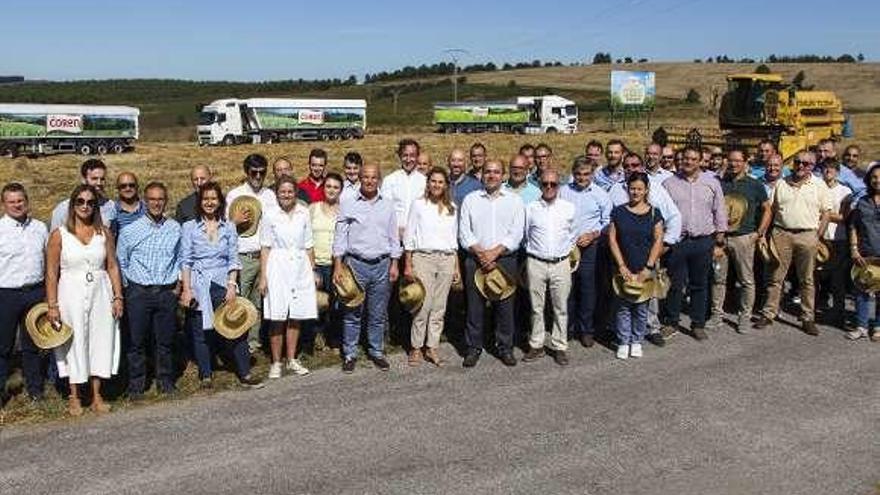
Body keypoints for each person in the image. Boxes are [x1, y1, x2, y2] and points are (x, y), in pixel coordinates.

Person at [45, 185, 124, 416]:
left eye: (90, 202)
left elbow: (112, 266)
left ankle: (97, 394)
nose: (85, 206)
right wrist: (52, 305)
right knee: (73, 341)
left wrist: (118, 296)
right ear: (72, 205)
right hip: (70, 291)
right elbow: (51, 272)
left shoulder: (104, 233)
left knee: (100, 339)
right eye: (80, 201)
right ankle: (74, 396)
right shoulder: (59, 235)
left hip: (101, 290)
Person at [180, 182, 263, 389]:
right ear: (200, 201)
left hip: (221, 281)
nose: (210, 202)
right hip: (199, 283)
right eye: (206, 199)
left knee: (235, 327)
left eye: (214, 199)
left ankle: (244, 372)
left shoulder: (228, 227)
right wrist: (187, 288)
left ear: (220, 202)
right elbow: (186, 260)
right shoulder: (189, 227)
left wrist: (232, 285)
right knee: (201, 331)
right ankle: (206, 373)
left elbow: (233, 258)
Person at [332, 163, 401, 373]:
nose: (369, 181)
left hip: (381, 264)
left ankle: (376, 351)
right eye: (366, 177)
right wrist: (337, 265)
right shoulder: (348, 203)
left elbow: (393, 236)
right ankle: (350, 352)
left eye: (373, 177)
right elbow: (340, 236)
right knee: (352, 311)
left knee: (377, 313)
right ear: (360, 178)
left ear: (378, 179)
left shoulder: (388, 205)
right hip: (356, 265)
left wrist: (395, 263)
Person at [755, 151, 832, 335]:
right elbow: (771, 210)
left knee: (807, 279)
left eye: (806, 163)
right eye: (798, 162)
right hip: (782, 234)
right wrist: (764, 233)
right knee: (776, 277)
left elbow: (827, 213)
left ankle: (807, 317)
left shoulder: (819, 185)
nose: (801, 166)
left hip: (807, 236)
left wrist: (818, 235)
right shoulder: (782, 183)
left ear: (812, 166)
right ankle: (769, 313)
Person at [116, 182, 181, 398]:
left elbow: (181, 259)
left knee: (165, 341)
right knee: (136, 341)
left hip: (165, 292)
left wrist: (177, 286)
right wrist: (129, 289)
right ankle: (136, 385)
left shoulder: (175, 229)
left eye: (160, 199)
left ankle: (165, 381)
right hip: (139, 292)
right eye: (152, 199)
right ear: (145, 202)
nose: (156, 203)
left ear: (166, 201)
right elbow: (121, 262)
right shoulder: (130, 230)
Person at [458, 159, 525, 367]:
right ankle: (473, 347)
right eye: (488, 172)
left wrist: (495, 253)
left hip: (505, 260)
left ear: (503, 175)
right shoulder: (471, 199)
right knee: (474, 307)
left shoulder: (514, 201)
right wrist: (481, 253)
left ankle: (505, 347)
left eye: (496, 172)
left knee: (505, 306)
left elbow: (517, 233)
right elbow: (464, 232)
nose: (491, 175)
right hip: (475, 260)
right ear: (482, 174)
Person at [661, 147, 728, 340]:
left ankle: (697, 323)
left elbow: (720, 212)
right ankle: (671, 322)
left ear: (700, 161)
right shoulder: (669, 184)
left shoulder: (712, 183)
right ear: (680, 160)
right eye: (685, 159)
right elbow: (662, 213)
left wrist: (719, 242)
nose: (689, 162)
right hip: (678, 243)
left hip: (703, 241)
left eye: (693, 159)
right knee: (675, 284)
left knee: (700, 284)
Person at [258, 176, 316, 379]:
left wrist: (313, 270)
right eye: (282, 191)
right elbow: (265, 247)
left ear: (295, 193)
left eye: (290, 191)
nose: (286, 195)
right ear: (277, 193)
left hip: (300, 267)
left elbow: (309, 245)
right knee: (277, 315)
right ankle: (276, 362)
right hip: (277, 266)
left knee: (295, 315)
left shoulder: (303, 213)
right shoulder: (270, 215)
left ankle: (291, 359)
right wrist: (263, 276)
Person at [403, 167, 460, 367]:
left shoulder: (451, 208)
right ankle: (416, 347)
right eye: (433, 181)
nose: (436, 185)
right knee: (422, 306)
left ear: (446, 185)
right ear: (428, 184)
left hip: (446, 259)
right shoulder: (419, 205)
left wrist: (456, 268)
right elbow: (409, 235)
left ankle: (432, 346)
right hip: (423, 258)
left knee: (439, 307)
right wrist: (408, 264)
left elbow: (453, 241)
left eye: (440, 182)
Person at [711, 149, 771, 333]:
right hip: (721, 238)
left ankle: (744, 316)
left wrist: (758, 233)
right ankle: (716, 315)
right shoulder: (719, 183)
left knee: (746, 280)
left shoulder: (755, 185)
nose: (734, 164)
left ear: (746, 162)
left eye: (738, 161)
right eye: (730, 160)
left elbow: (767, 209)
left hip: (744, 238)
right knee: (718, 278)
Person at [0, 183, 49, 403]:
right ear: (4, 204)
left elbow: (47, 260)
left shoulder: (39, 227)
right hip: (6, 294)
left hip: (35, 292)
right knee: (4, 346)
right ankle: (1, 392)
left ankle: (35, 389)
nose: (17, 205)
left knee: (32, 345)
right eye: (11, 202)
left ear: (26, 201)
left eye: (20, 200)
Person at [522, 169, 576, 366]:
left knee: (560, 307)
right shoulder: (531, 208)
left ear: (558, 185)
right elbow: (526, 233)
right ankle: (536, 344)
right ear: (540, 185)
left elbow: (573, 233)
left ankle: (559, 346)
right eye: (545, 184)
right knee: (536, 307)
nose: (549, 187)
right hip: (536, 261)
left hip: (561, 263)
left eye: (553, 184)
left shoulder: (568, 208)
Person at [226, 153, 279, 353]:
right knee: (240, 300)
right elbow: (226, 228)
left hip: (265, 256)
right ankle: (236, 341)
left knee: (258, 301)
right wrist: (235, 222)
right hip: (244, 257)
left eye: (262, 172)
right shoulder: (235, 195)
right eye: (254, 172)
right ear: (246, 172)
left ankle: (253, 342)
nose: (258, 176)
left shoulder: (270, 195)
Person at [608, 172, 665, 359]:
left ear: (646, 190)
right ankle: (624, 341)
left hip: (644, 267)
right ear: (627, 189)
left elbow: (658, 240)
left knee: (641, 307)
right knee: (623, 307)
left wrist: (648, 267)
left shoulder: (654, 213)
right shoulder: (618, 211)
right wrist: (621, 265)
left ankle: (637, 340)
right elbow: (612, 239)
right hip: (624, 265)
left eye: (639, 189)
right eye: (632, 188)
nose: (635, 192)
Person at [559, 157, 612, 348]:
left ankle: (586, 330)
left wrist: (593, 234)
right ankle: (568, 328)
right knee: (568, 288)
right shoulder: (564, 192)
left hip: (590, 246)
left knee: (588, 289)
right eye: (579, 174)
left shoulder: (600, 194)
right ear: (573, 174)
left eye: (586, 174)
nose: (582, 178)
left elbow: (607, 221)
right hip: (567, 246)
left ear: (592, 174)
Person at [308, 173, 344, 348]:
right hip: (316, 263)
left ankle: (334, 338)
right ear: (323, 188)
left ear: (340, 191)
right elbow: (307, 237)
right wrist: (312, 266)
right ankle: (316, 336)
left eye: (336, 187)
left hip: (335, 264)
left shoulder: (343, 212)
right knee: (316, 302)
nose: (331, 190)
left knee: (336, 303)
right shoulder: (313, 209)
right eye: (328, 186)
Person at [816, 161, 852, 327]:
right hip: (819, 238)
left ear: (837, 172)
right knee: (816, 277)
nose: (828, 171)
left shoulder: (845, 192)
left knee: (838, 281)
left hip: (838, 240)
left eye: (831, 169)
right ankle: (813, 310)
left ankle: (839, 313)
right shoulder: (816, 187)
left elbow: (844, 217)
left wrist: (825, 214)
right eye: (825, 169)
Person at [847, 164, 880, 341]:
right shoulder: (862, 202)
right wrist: (853, 249)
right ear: (869, 180)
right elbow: (853, 227)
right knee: (862, 289)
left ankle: (878, 326)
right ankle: (861, 326)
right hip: (866, 253)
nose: (878, 180)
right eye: (874, 177)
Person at [50, 159, 116, 231]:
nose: (99, 183)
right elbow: (54, 237)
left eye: (102, 179)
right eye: (94, 178)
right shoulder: (64, 209)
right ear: (83, 179)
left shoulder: (110, 206)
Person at [381, 138, 427, 239]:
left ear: (417, 156)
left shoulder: (425, 182)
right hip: (394, 236)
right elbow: (384, 210)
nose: (408, 159)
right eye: (405, 155)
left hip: (418, 237)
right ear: (399, 156)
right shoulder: (389, 180)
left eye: (412, 156)